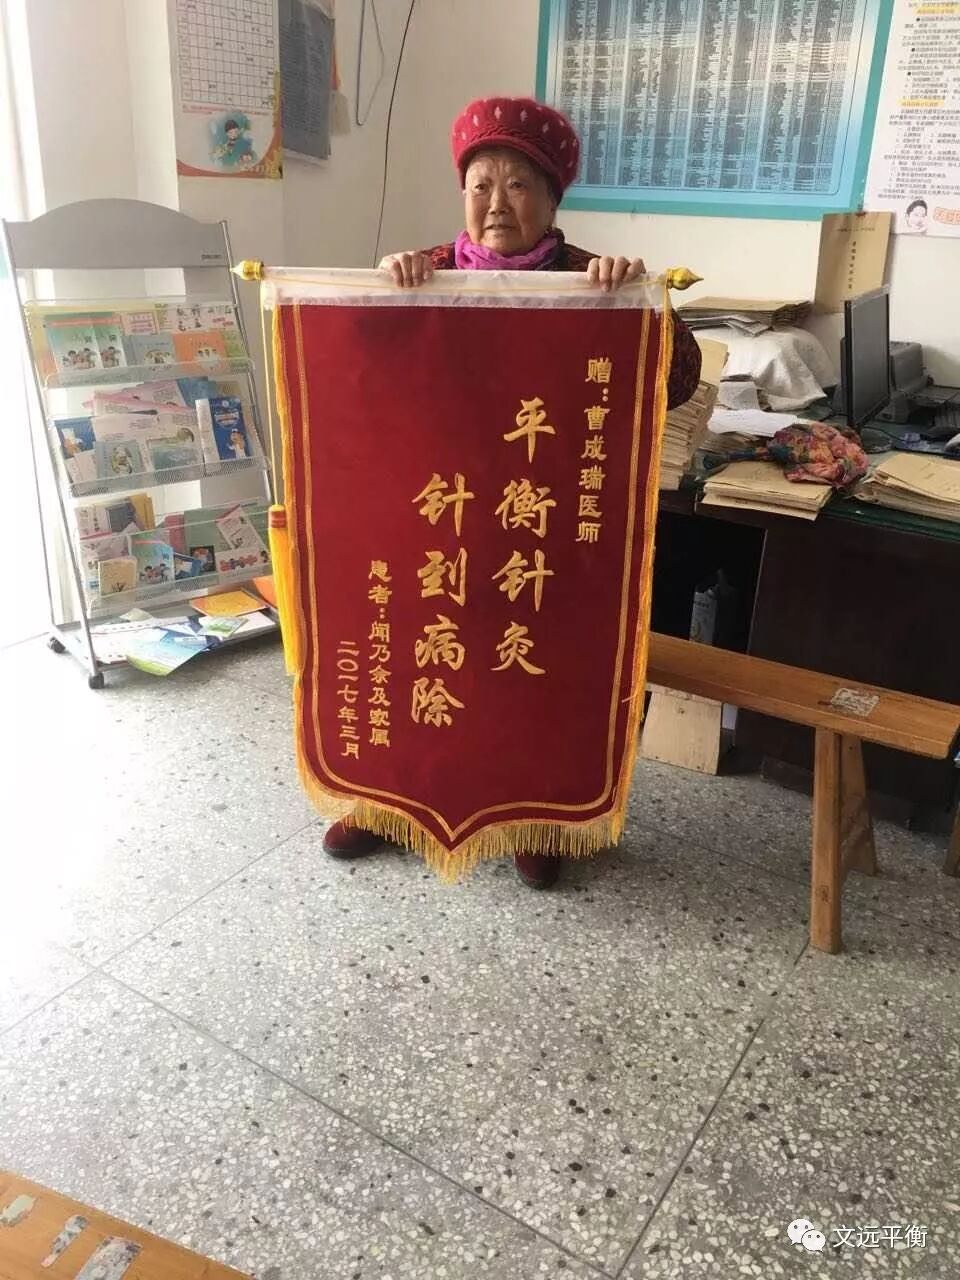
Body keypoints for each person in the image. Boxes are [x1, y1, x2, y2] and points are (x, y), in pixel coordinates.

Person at [323, 96, 702, 889]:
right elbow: (351, 375)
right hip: (436, 515)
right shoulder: (426, 274)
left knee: (532, 669)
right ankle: (388, 800)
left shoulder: (592, 281)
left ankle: (537, 812)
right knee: (415, 653)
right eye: (481, 185)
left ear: (553, 201)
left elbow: (678, 381)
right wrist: (381, 292)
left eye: (519, 185)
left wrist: (641, 305)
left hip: (541, 523)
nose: (497, 204)